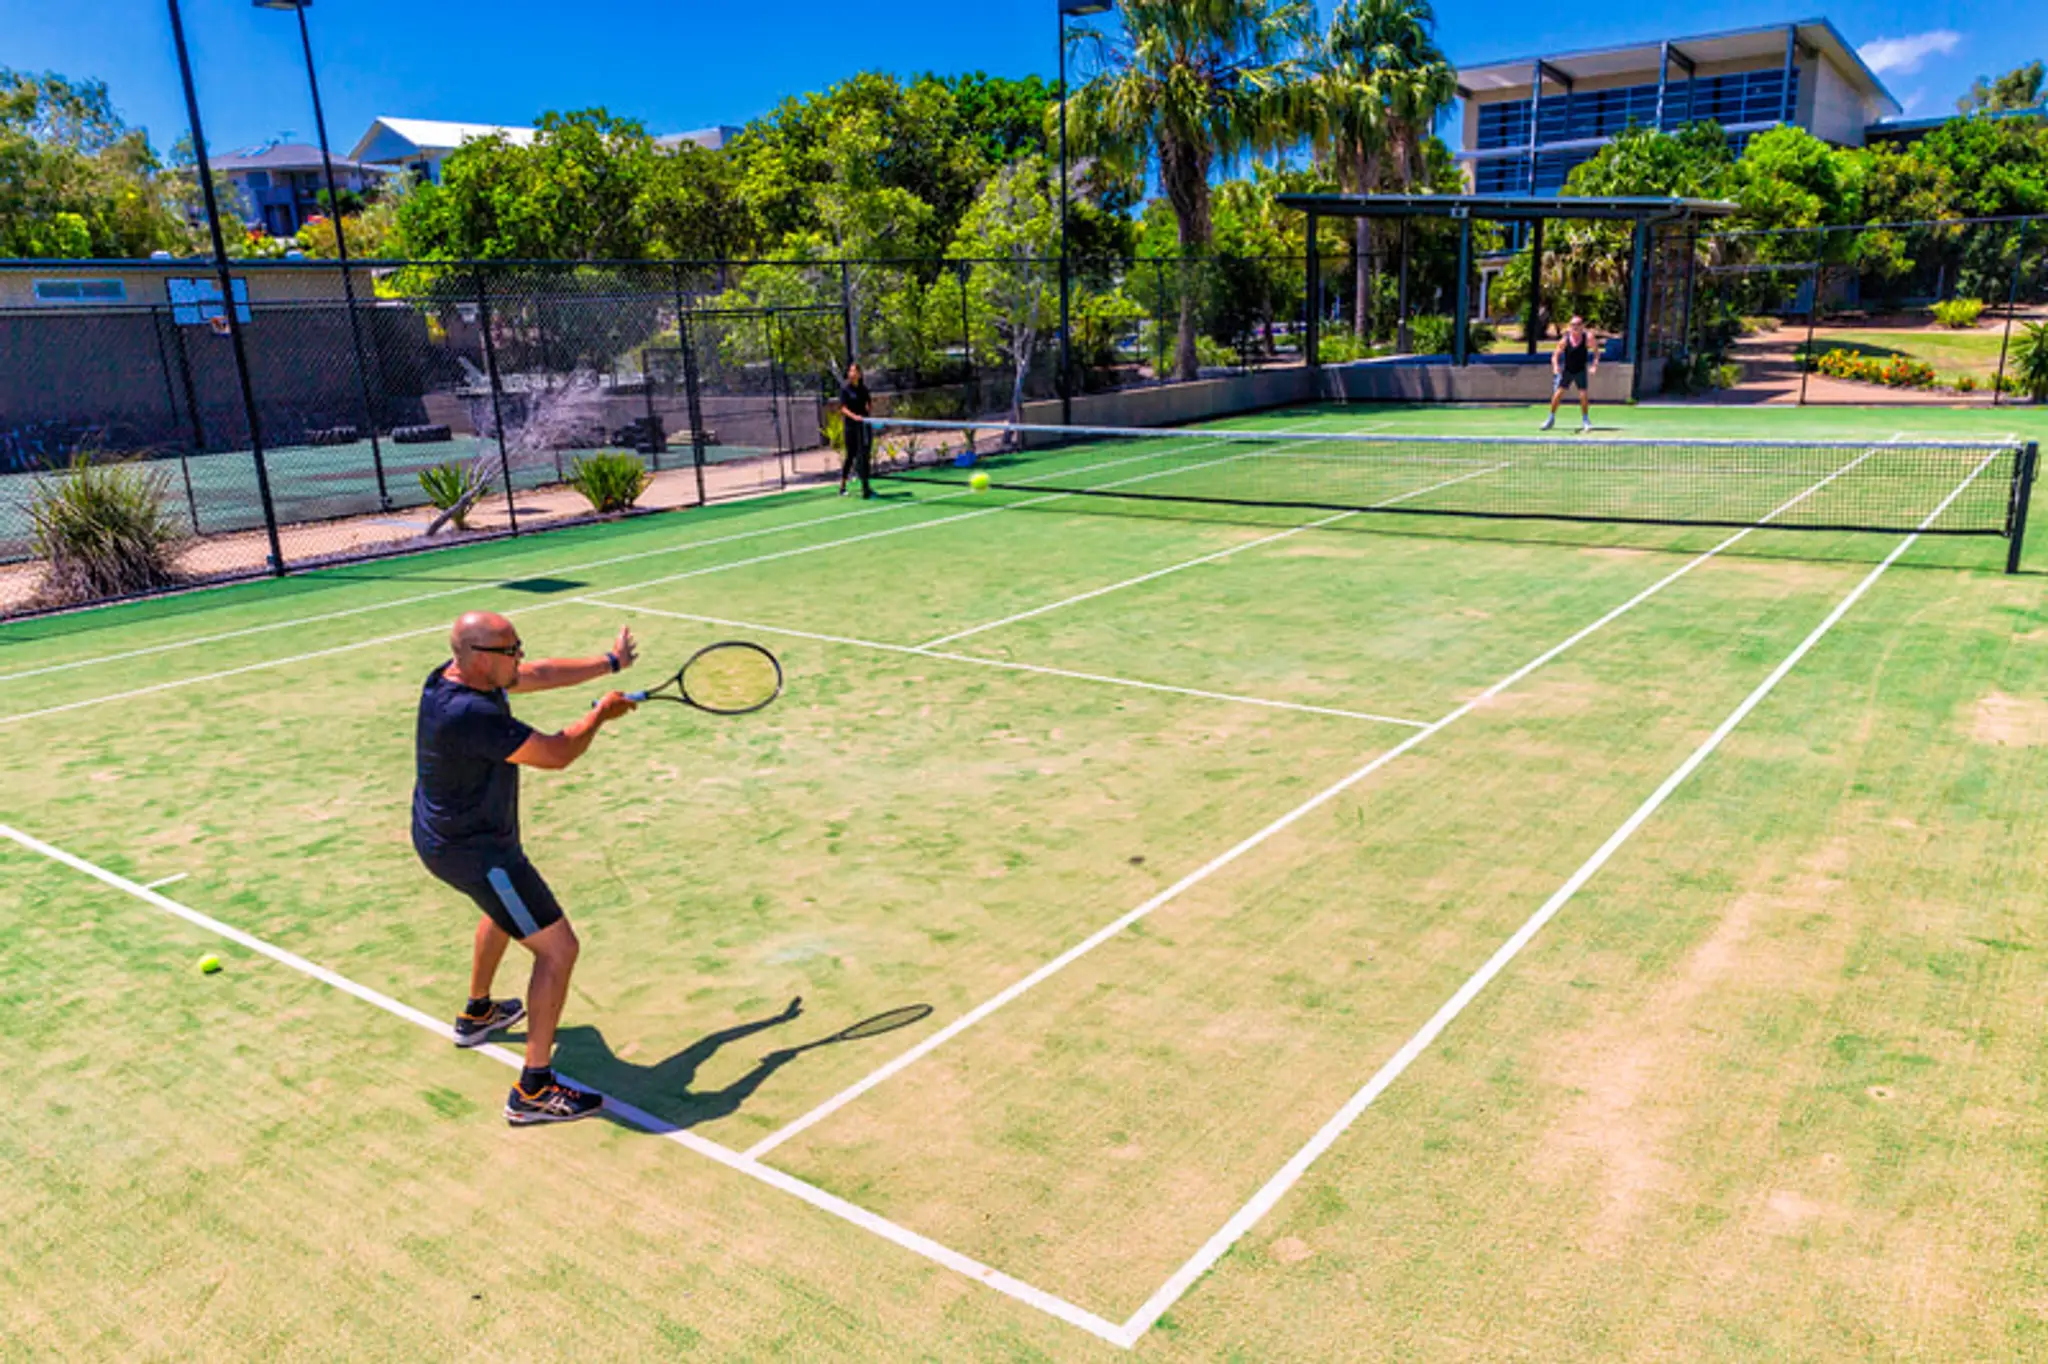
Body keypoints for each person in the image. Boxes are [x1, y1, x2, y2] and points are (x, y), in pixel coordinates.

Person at [412, 610, 638, 1126]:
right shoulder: (469, 714)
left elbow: (537, 674)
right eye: (508, 650)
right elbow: (556, 754)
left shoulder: (457, 676)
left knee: (499, 911)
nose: (519, 657)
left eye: (517, 646)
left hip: (450, 838)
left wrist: (609, 664)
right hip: (478, 851)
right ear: (473, 658)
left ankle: (478, 1013)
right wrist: (599, 716)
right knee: (559, 950)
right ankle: (533, 1089)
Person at [1541, 316, 1598, 432]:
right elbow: (1555, 355)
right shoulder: (1565, 340)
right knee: (1558, 394)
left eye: (1578, 324)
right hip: (1568, 371)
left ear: (1582, 326)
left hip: (1581, 370)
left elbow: (1596, 353)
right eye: (1573, 325)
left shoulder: (1588, 338)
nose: (1575, 327)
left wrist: (1594, 366)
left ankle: (1586, 420)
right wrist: (1556, 367)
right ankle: (1550, 418)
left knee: (1583, 395)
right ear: (1570, 326)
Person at [836, 360, 872, 497]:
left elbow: (868, 403)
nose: (852, 374)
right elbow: (843, 408)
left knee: (863, 456)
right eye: (850, 371)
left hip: (862, 428)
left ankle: (865, 487)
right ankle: (842, 486)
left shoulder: (863, 389)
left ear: (859, 374)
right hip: (851, 428)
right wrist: (854, 416)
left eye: (854, 371)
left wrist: (866, 415)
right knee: (850, 456)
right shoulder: (845, 389)